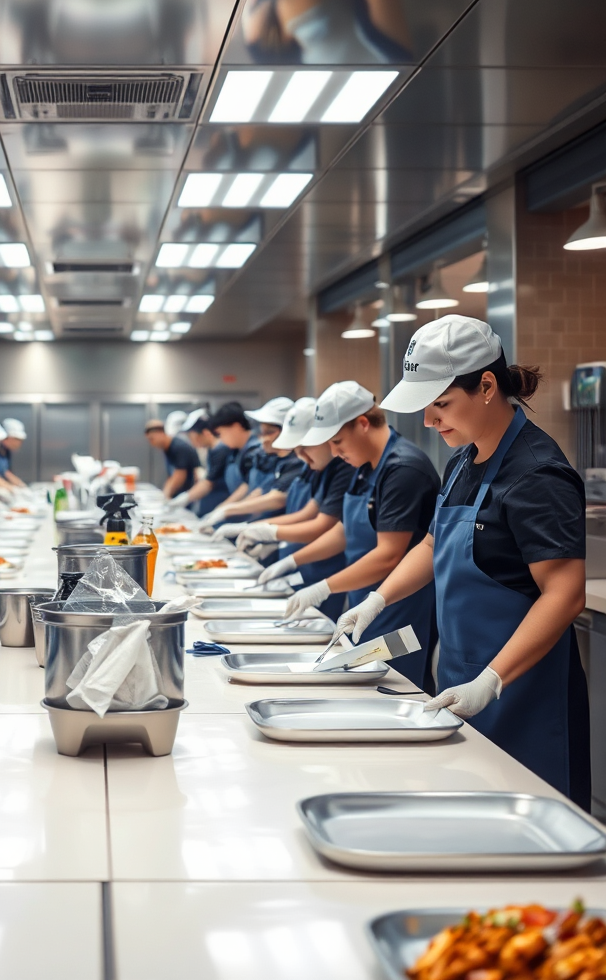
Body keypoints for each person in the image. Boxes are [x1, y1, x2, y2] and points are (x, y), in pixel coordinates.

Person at [334, 316, 589, 806]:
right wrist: (377, 599)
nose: (429, 421)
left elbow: (565, 593)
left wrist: (491, 680)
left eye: (442, 404)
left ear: (487, 386)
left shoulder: (538, 474)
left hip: (522, 693)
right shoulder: (462, 460)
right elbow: (431, 546)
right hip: (459, 683)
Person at [273, 380, 441, 689]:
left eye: (337, 441)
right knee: (362, 688)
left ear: (363, 423)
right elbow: (343, 530)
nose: (335, 452)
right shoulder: (365, 467)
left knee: (394, 692)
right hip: (368, 600)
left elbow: (388, 555)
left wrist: (323, 588)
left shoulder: (403, 469)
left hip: (401, 606)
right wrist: (290, 561)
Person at [218, 398, 355, 621]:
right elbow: (306, 514)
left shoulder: (341, 468)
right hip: (302, 563)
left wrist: (268, 532)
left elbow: (322, 524)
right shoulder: (315, 466)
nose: (301, 456)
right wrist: (267, 536)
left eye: (304, 448)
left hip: (324, 569)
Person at [199, 397, 297, 528]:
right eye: (262, 432)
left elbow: (277, 499)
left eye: (269, 432)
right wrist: (223, 511)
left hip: (279, 530)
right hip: (258, 524)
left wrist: (229, 511)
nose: (263, 439)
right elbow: (255, 491)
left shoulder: (295, 461)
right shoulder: (268, 457)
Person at [169, 412, 229, 515]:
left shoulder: (221, 450)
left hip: (220, 506)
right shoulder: (211, 450)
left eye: (193, 437)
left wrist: (185, 498)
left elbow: (208, 483)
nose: (192, 442)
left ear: (205, 433)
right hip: (210, 507)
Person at [145, 418, 201, 499]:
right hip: (178, 493)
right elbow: (172, 475)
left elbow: (179, 475)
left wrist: (166, 495)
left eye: (151, 439)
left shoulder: (178, 447)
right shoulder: (167, 449)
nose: (151, 443)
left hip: (188, 495)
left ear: (160, 433)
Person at [0, 418, 28, 487]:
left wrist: (21, 485)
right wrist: (11, 489)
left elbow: (6, 472)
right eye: (17, 439)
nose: (19, 443)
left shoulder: (6, 451)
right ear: (7, 437)